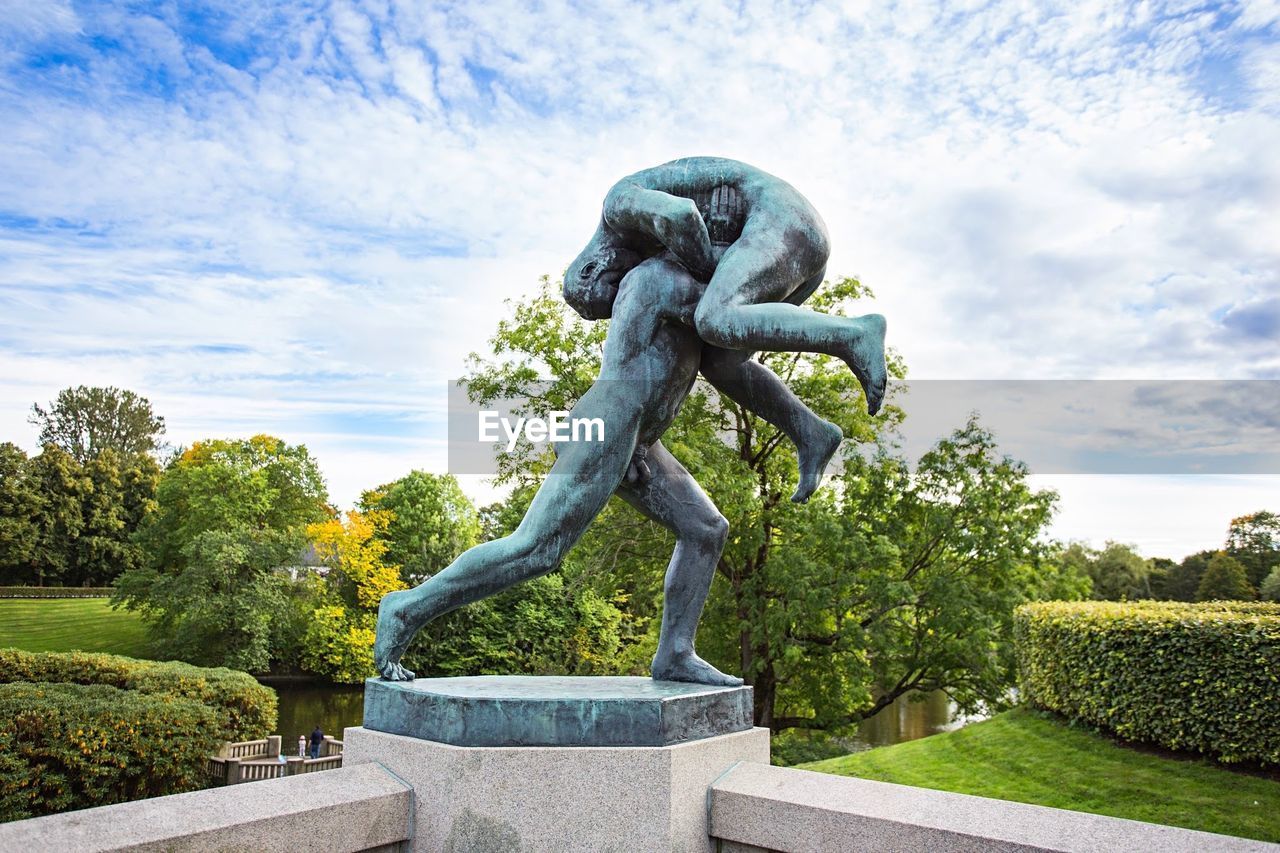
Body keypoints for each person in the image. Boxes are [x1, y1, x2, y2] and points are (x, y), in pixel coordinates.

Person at [377, 255, 753, 685]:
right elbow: (735, 326)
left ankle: (674, 652)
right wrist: (836, 336)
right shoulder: (663, 280)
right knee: (536, 550)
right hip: (611, 421)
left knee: (705, 529)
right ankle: (405, 608)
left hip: (640, 437)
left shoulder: (694, 292)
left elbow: (734, 359)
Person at [564, 156, 887, 503]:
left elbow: (682, 216)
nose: (625, 285)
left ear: (591, 269)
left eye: (614, 287)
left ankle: (855, 334)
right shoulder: (639, 241)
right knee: (719, 360)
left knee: (715, 317)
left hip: (781, 220)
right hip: (781, 248)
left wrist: (712, 258)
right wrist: (639, 443)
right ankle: (810, 431)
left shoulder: (619, 203)